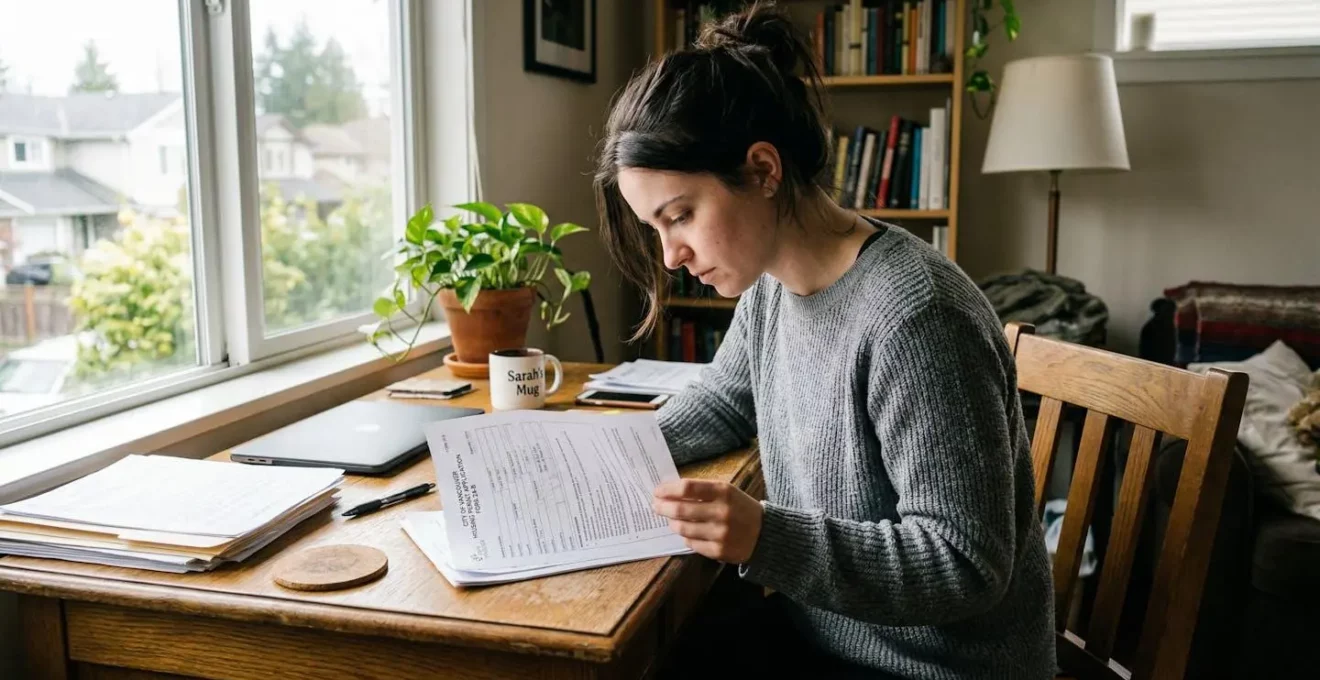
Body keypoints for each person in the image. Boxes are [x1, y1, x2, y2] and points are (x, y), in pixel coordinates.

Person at [592, 2, 1056, 678]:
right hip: (831, 633)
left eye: (681, 216)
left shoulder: (917, 315)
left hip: (936, 666)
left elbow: (964, 562)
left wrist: (763, 534)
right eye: (656, 228)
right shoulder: (772, 285)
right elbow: (726, 401)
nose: (670, 256)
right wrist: (612, 454)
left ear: (761, 170)